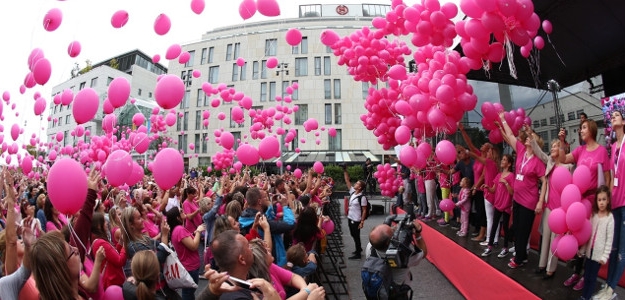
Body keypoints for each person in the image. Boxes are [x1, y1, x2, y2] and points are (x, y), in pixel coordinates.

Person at [559, 118, 611, 290]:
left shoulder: (602, 151)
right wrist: (561, 142)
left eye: (583, 128)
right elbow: (563, 159)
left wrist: (605, 204)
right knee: (579, 236)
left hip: (594, 202)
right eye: (580, 128)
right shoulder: (580, 150)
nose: (580, 131)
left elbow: (607, 179)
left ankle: (586, 276)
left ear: (592, 130)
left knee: (589, 240)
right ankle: (576, 272)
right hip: (578, 201)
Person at [498, 111, 547, 269]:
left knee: (522, 230)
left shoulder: (538, 162)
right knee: (516, 228)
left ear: (535, 143)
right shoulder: (520, 151)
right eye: (527, 137)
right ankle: (522, 255)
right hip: (517, 199)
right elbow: (511, 136)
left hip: (529, 202)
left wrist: (540, 201)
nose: (526, 138)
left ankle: (519, 259)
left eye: (530, 138)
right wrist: (503, 120)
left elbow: (544, 180)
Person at [530, 129, 574, 279]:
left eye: (555, 147)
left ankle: (551, 268)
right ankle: (541, 265)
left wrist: (562, 141)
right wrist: (530, 135)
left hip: (560, 209)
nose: (552, 149)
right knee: (546, 237)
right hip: (549, 207)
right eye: (552, 147)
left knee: (555, 240)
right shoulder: (550, 163)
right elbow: (539, 152)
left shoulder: (568, 168)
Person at [599, 109, 625, 299]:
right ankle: (608, 286)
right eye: (612, 115)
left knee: (622, 250)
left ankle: (612, 288)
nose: (613, 117)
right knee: (613, 248)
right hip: (615, 203)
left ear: (623, 122)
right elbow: (611, 178)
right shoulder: (613, 147)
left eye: (617, 115)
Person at [365, 218, 427, 288]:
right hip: (397, 291)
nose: (394, 228)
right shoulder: (404, 256)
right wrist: (418, 234)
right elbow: (423, 253)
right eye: (392, 231)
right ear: (390, 242)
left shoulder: (370, 247)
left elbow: (380, 236)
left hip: (379, 285)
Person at [578, 186, 614, 300]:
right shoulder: (593, 216)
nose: (602, 203)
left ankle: (587, 297)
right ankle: (584, 296)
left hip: (598, 256)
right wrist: (583, 250)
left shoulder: (610, 218)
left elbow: (609, 240)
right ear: (596, 201)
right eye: (599, 200)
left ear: (608, 200)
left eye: (604, 199)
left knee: (592, 277)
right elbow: (588, 235)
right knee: (586, 275)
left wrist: (605, 256)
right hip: (589, 252)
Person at [166, 206, 206, 300]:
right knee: (188, 293)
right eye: (180, 211)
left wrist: (194, 234)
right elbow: (193, 246)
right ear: (177, 217)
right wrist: (199, 232)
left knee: (189, 293)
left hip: (189, 265)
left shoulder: (178, 229)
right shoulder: (179, 229)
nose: (183, 211)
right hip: (190, 267)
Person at [481, 154, 514, 258]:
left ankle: (505, 248)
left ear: (509, 164)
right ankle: (490, 246)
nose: (502, 161)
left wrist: (506, 183)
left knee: (505, 226)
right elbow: (493, 189)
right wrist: (487, 187)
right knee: (494, 225)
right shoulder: (499, 175)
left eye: (504, 160)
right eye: (502, 159)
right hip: (498, 204)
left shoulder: (511, 176)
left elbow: (512, 192)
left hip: (506, 205)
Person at [91, 211, 127, 289]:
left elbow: (112, 254)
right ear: (98, 226)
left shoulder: (98, 241)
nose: (106, 223)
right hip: (113, 282)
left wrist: (120, 242)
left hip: (113, 282)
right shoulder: (101, 243)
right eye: (104, 222)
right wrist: (124, 246)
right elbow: (119, 261)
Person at [343, 164, 368, 259]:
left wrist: (362, 222)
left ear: (360, 187)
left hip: (356, 219)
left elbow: (364, 210)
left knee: (356, 236)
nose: (355, 184)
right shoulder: (353, 192)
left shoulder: (362, 197)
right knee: (353, 234)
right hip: (350, 217)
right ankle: (358, 249)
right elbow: (347, 181)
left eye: (357, 184)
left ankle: (358, 253)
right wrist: (345, 170)